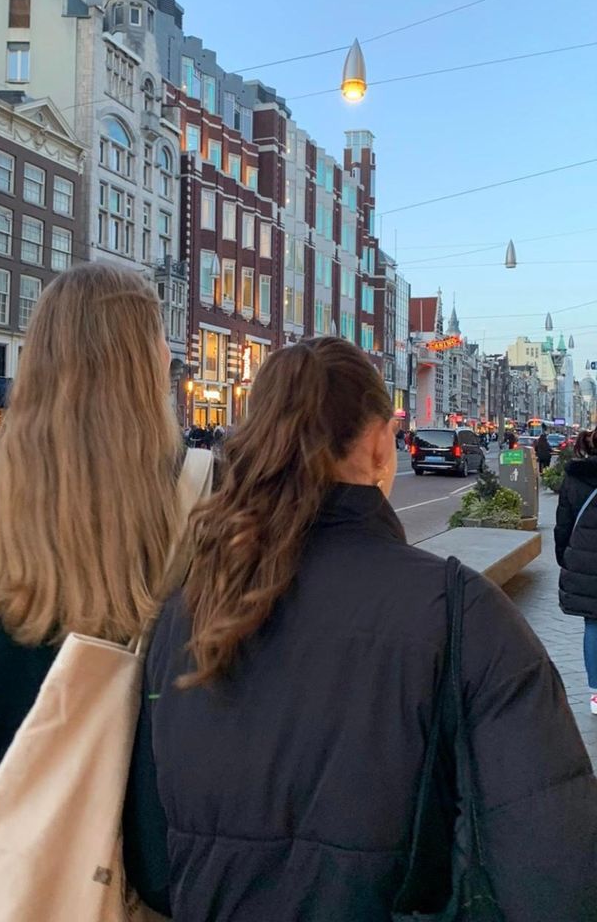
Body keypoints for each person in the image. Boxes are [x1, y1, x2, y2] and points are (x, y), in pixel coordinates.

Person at [124, 337, 597, 921]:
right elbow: (553, 863)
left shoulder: (187, 610)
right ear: (378, 445)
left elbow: (152, 861)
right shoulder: (461, 611)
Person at [0, 263, 191, 811]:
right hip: (144, 820)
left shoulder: (0, 501)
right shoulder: (198, 490)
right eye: (158, 337)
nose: (167, 354)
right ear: (140, 360)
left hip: (20, 812)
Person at [554, 427, 597, 714]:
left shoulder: (574, 475)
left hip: (584, 563)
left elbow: (563, 525)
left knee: (593, 626)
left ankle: (596, 694)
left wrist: (565, 558)